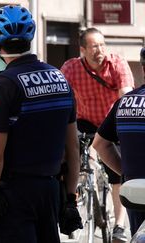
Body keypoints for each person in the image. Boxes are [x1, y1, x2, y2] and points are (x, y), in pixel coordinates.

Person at [0, 5, 81, 243]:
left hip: (15, 196)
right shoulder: (60, 79)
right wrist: (71, 199)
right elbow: (73, 146)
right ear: (30, 38)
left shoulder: (3, 87)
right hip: (52, 192)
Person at [61, 27, 134, 242]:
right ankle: (71, 204)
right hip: (85, 120)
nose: (99, 50)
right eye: (94, 46)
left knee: (118, 172)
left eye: (102, 45)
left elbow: (126, 96)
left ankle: (119, 226)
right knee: (70, 157)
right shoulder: (71, 68)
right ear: (83, 49)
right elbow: (62, 96)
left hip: (111, 121)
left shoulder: (117, 63)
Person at [92, 46, 145, 236]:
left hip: (134, 191)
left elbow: (100, 144)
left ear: (143, 69)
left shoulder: (124, 102)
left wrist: (127, 173)